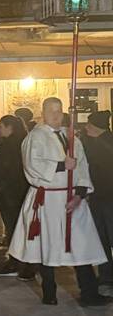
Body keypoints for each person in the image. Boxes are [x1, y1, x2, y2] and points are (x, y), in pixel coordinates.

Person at [8, 97, 110, 306]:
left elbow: (82, 167)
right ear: (43, 113)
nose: (56, 115)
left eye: (59, 110)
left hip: (73, 199)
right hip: (49, 199)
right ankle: (49, 291)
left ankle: (89, 292)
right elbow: (32, 165)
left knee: (81, 245)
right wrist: (63, 166)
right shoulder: (34, 138)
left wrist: (79, 194)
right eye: (51, 111)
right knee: (49, 245)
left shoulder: (72, 137)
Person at [0, 115, 31, 279]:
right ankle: (20, 261)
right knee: (15, 229)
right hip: (13, 193)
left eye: (2, 126)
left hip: (12, 194)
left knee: (15, 229)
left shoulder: (12, 145)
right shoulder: (15, 143)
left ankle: (18, 262)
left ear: (9, 127)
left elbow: (11, 169)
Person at [82, 110, 113, 289]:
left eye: (89, 124)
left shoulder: (97, 145)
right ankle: (107, 274)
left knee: (104, 237)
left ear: (96, 127)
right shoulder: (98, 142)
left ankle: (107, 275)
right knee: (103, 237)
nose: (86, 127)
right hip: (101, 197)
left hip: (103, 198)